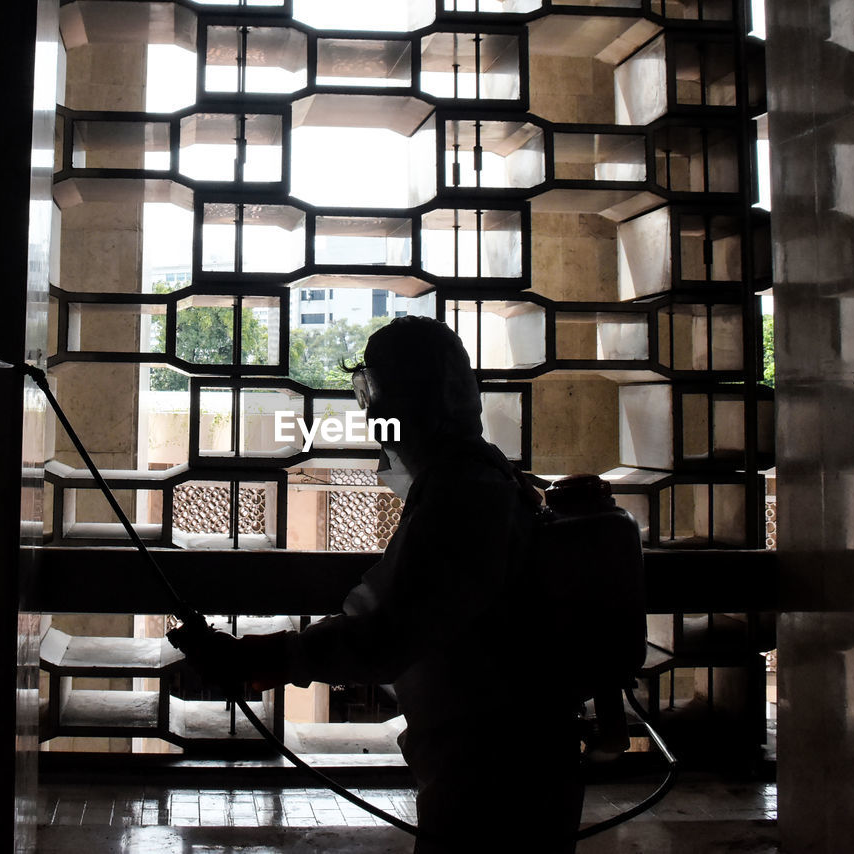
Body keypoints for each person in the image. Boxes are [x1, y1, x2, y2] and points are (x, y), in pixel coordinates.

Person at [169, 315, 584, 853]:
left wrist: (258, 660)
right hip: (501, 756)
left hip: (496, 769)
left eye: (376, 394)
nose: (371, 415)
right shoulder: (480, 478)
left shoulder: (465, 495)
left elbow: (388, 636)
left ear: (411, 401)